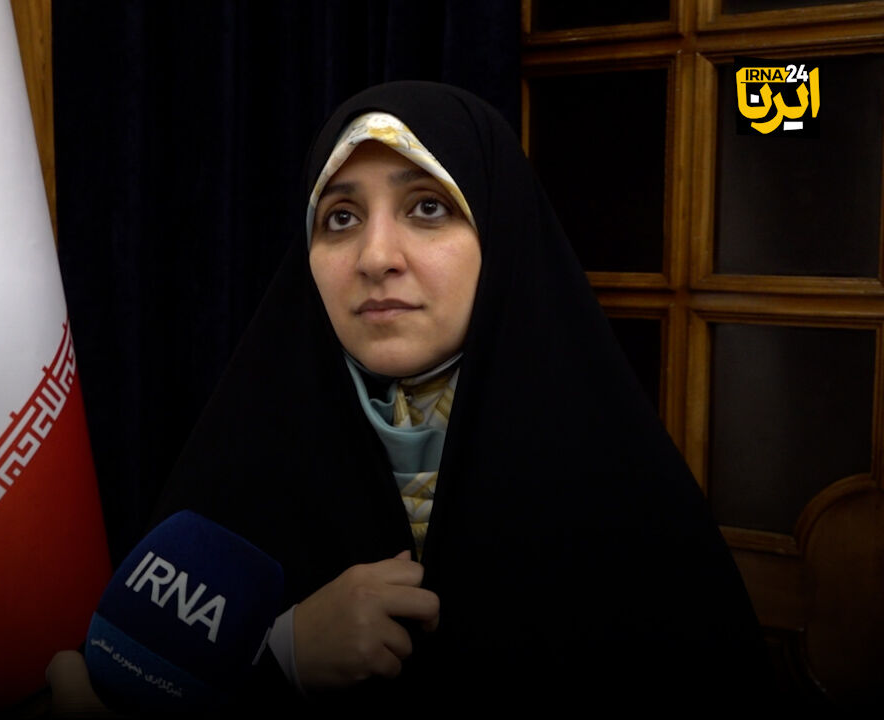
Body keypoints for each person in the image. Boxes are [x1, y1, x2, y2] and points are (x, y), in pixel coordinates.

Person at [52, 81, 771, 712]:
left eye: (427, 207)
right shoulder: (244, 456)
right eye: (340, 217)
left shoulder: (616, 485)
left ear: (499, 235)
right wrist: (282, 655)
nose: (375, 257)